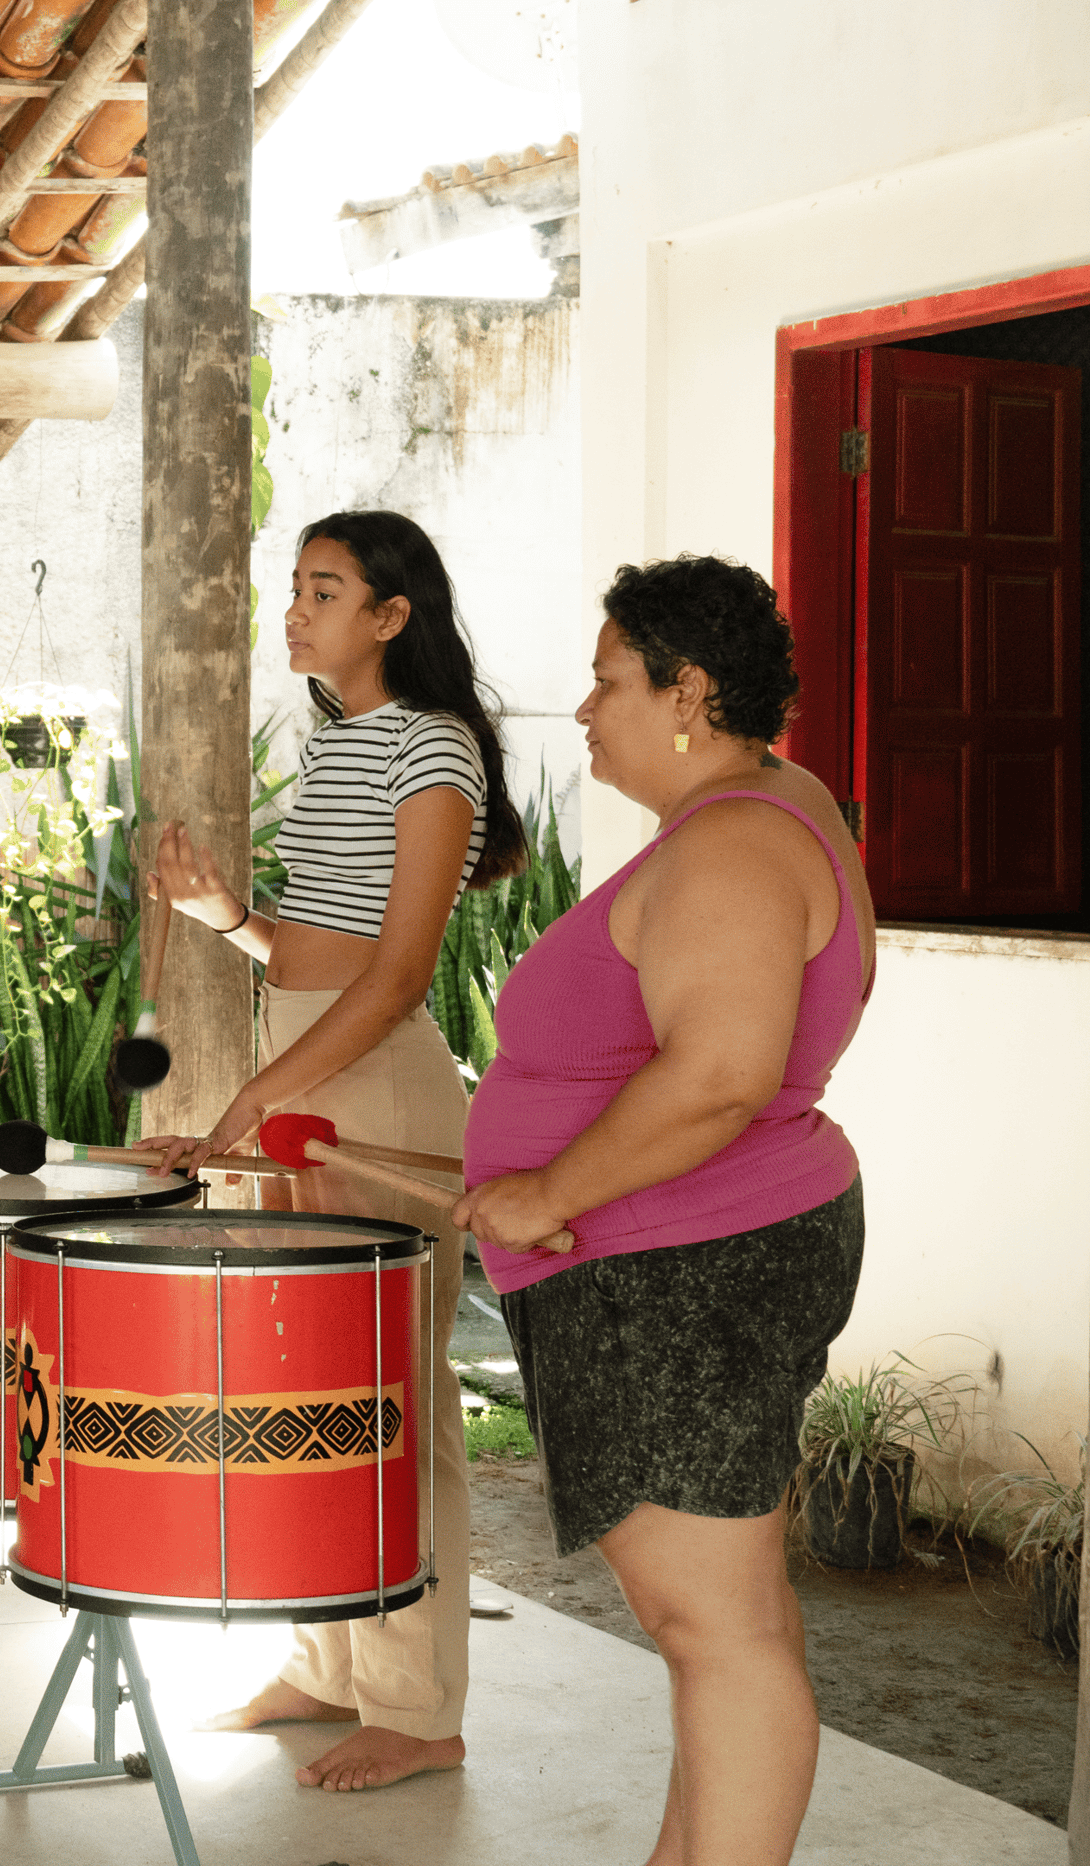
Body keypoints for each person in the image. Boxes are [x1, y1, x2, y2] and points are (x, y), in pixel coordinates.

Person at [454, 556, 870, 1866]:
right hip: (663, 1262)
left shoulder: (742, 836)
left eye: (607, 678)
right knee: (720, 1616)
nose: (583, 707)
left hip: (675, 1269)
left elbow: (725, 1073)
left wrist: (545, 1188)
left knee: (717, 1627)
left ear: (687, 691)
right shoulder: (759, 804)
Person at [142, 511, 527, 1791]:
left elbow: (398, 973)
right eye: (292, 588)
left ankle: (418, 1709)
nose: (294, 612)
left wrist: (252, 1094)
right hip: (318, 1074)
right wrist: (229, 919)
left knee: (398, 1410)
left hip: (379, 1097)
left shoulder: (433, 746)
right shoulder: (341, 742)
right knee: (313, 1393)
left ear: (391, 616)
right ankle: (325, 1666)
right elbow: (312, 955)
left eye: (323, 590)